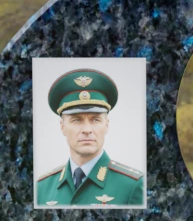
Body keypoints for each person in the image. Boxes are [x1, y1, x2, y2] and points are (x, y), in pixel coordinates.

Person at [36, 68, 144, 207]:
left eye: (95, 120)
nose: (87, 130)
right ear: (62, 127)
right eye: (76, 120)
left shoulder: (132, 186)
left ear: (106, 125)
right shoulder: (42, 188)